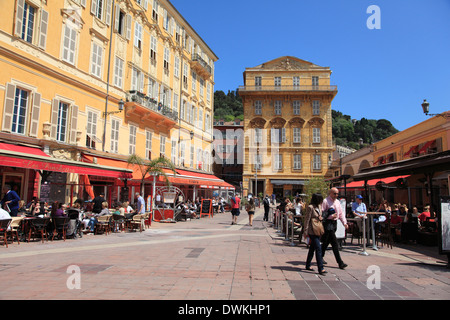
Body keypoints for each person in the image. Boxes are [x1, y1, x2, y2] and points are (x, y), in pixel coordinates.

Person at [321, 187, 348, 270]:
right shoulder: (325, 201)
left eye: (337, 194)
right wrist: (330, 216)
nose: (336, 195)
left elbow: (341, 214)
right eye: (335, 193)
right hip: (328, 224)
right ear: (330, 193)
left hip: (334, 224)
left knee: (326, 242)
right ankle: (340, 262)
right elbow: (322, 214)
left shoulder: (337, 202)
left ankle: (319, 256)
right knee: (334, 243)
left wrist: (344, 222)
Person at [303, 193, 326, 275]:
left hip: (318, 229)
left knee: (312, 248)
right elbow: (307, 219)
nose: (321, 201)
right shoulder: (310, 207)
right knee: (318, 248)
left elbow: (320, 216)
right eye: (320, 200)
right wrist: (305, 232)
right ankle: (321, 268)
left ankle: (308, 264)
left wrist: (320, 218)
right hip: (312, 230)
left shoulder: (319, 207)